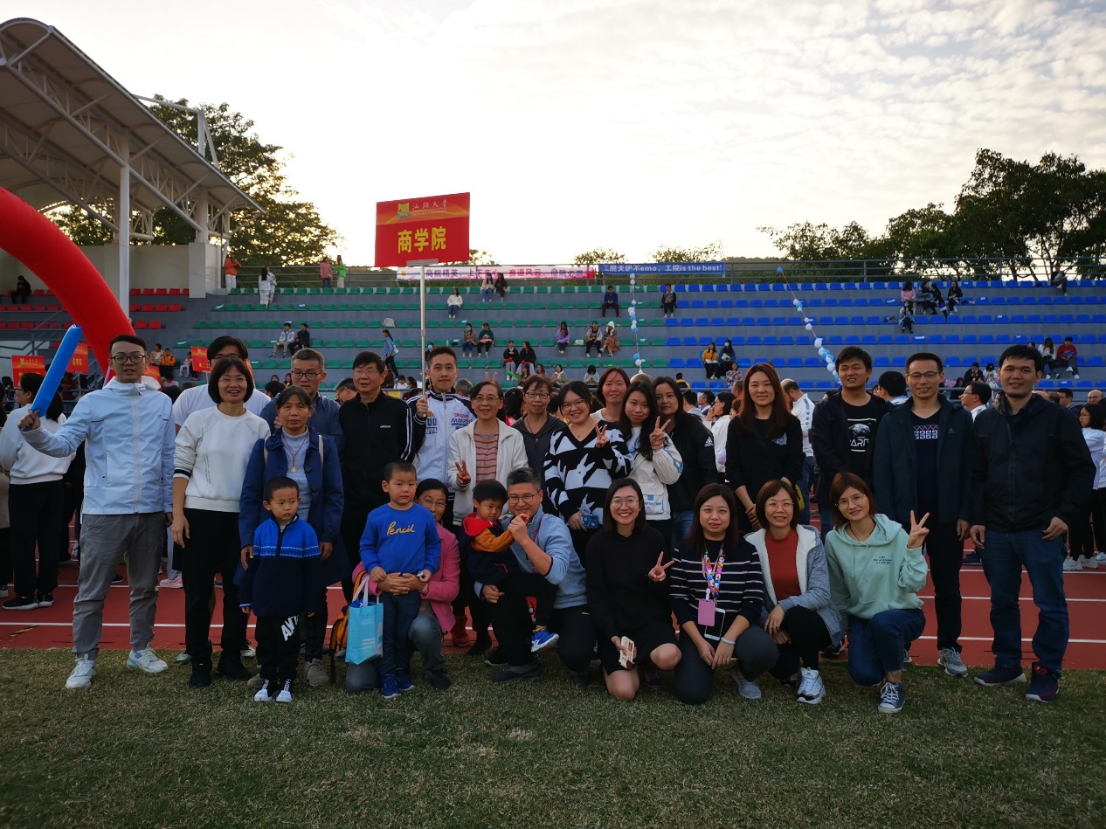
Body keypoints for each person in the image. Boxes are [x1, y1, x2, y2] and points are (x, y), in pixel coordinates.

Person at [19, 334, 175, 689]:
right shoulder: (92, 402)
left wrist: (167, 504)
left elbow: (168, 455)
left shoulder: (161, 403)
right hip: (105, 510)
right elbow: (64, 445)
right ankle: (85, 658)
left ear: (145, 360)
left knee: (146, 586)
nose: (128, 362)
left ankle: (140, 649)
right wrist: (35, 434)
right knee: (92, 590)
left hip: (150, 509)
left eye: (135, 356)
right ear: (110, 362)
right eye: (121, 357)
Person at [970, 344, 1096, 702]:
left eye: (1025, 370)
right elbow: (977, 474)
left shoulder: (1058, 418)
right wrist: (978, 517)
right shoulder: (986, 421)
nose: (1016, 376)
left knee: (1050, 604)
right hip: (996, 529)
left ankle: (1047, 670)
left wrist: (1064, 514)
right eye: (1010, 369)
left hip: (1041, 529)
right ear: (998, 374)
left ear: (1038, 375)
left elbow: (1082, 469)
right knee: (1001, 602)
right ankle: (1008, 663)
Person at [874, 353, 974, 679]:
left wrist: (965, 512)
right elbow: (882, 472)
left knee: (948, 586)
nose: (923, 381)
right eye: (916, 375)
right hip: (904, 519)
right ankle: (901, 645)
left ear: (942, 377)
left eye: (930, 374)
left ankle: (949, 647)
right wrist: (887, 519)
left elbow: (970, 471)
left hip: (947, 517)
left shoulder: (959, 418)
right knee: (901, 586)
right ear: (907, 379)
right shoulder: (893, 420)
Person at [173, 357, 270, 687]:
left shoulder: (259, 426)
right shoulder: (199, 420)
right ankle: (200, 659)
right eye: (226, 378)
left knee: (237, 592)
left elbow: (263, 479)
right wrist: (178, 515)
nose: (233, 384)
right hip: (198, 517)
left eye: (239, 378)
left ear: (248, 383)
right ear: (215, 383)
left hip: (242, 521)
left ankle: (230, 657)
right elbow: (180, 469)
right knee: (197, 594)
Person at [240, 386, 346, 689]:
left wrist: (328, 534)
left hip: (312, 535)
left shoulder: (324, 446)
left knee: (315, 595)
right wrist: (248, 538)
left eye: (301, 407)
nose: (294, 413)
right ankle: (269, 665)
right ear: (278, 411)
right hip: (272, 538)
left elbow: (335, 494)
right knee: (272, 596)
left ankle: (313, 659)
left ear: (311, 411)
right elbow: (250, 494)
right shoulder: (264, 446)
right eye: (287, 407)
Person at [479, 467, 597, 684]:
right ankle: (523, 662)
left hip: (569, 602)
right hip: (533, 603)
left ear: (540, 496)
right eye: (514, 497)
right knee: (494, 595)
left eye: (527, 496)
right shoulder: (504, 526)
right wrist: (481, 587)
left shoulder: (555, 527)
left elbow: (556, 575)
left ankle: (587, 648)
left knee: (576, 656)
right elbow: (482, 563)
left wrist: (524, 540)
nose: (520, 503)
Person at [824, 473, 930, 714]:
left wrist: (914, 549)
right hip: (863, 618)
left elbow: (914, 584)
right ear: (837, 507)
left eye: (857, 497)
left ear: (868, 497)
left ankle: (894, 683)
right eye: (843, 501)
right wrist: (844, 627)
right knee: (865, 675)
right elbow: (837, 588)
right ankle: (888, 648)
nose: (852, 505)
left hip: (902, 613)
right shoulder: (833, 540)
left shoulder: (897, 534)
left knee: (885, 623)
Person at [346, 478, 460, 693]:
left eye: (440, 503)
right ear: (416, 500)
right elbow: (358, 572)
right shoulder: (389, 525)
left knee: (423, 628)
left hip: (419, 615)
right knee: (358, 683)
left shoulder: (449, 540)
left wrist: (421, 586)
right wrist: (381, 583)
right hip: (385, 613)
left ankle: (433, 667)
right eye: (428, 501)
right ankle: (390, 667)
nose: (433, 509)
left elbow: (452, 589)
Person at [669, 483, 778, 704]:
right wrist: (700, 643)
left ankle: (744, 673)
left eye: (722, 511)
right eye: (708, 510)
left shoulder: (747, 550)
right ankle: (703, 662)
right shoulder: (683, 550)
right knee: (691, 694)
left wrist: (729, 639)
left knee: (764, 652)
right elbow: (678, 600)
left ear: (731, 515)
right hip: (699, 628)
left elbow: (753, 601)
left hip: (736, 626)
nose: (714, 517)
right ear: (698, 512)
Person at [447, 379, 527, 653]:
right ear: (472, 402)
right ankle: (481, 635)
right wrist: (461, 480)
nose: (485, 403)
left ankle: (506, 635)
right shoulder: (459, 436)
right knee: (471, 577)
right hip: (468, 519)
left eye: (491, 398)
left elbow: (519, 474)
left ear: (501, 403)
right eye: (479, 398)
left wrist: (507, 508)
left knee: (501, 575)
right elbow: (451, 474)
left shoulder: (513, 436)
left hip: (501, 520)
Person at [338, 351, 425, 601]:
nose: (363, 376)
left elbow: (407, 450)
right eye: (358, 371)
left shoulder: (398, 409)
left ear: (382, 375)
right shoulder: (345, 411)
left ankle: (387, 613)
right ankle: (354, 610)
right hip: (352, 502)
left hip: (386, 503)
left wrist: (391, 486)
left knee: (386, 558)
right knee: (352, 559)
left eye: (369, 371)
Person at [747, 480, 843, 704]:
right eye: (773, 504)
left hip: (813, 621)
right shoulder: (751, 544)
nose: (780, 510)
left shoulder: (811, 539)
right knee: (783, 668)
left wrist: (784, 606)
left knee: (796, 614)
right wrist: (768, 624)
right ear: (762, 507)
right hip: (776, 624)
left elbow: (821, 593)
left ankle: (812, 674)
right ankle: (793, 668)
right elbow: (751, 595)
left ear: (795, 507)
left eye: (786, 504)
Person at [586, 479, 681, 700]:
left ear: (640, 505)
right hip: (616, 626)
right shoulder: (597, 543)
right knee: (624, 692)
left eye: (630, 500)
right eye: (617, 501)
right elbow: (596, 596)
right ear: (608, 506)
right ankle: (618, 666)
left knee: (670, 657)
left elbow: (665, 592)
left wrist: (656, 580)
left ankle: (647, 661)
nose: (624, 507)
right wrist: (613, 637)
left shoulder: (654, 538)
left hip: (650, 622)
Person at [236, 477, 324, 704]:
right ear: (267, 505)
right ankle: (268, 680)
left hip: (290, 604)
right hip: (264, 603)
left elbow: (313, 572)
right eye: (281, 503)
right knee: (265, 642)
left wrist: (311, 601)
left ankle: (287, 681)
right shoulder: (261, 532)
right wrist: (246, 597)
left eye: (292, 502)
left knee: (288, 644)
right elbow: (253, 569)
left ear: (299, 501)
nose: (287, 507)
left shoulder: (307, 532)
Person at [359, 461, 441, 699]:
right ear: (386, 486)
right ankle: (386, 674)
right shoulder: (377, 516)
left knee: (404, 632)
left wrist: (429, 568)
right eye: (399, 484)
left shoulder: (424, 515)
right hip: (385, 588)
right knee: (385, 633)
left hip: (410, 588)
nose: (406, 489)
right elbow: (366, 546)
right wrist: (374, 568)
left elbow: (433, 545)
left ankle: (399, 670)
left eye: (411, 484)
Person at [0, 376, 73, 610]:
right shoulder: (59, 416)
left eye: (18, 389)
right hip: (54, 485)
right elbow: (69, 451)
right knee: (50, 540)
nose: (16, 393)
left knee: (23, 542)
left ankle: (25, 594)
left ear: (30, 393)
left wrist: (10, 470)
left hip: (25, 485)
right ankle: (45, 591)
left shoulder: (17, 416)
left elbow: (6, 454)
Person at [460, 480, 558, 652]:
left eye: (499, 507)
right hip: (498, 576)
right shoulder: (476, 527)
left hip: (495, 576)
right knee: (546, 584)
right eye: (490, 506)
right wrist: (516, 531)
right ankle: (539, 631)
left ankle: (510, 644)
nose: (494, 512)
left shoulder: (482, 521)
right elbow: (494, 545)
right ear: (475, 502)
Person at [544, 381, 633, 564]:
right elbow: (551, 478)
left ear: (589, 401)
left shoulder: (611, 431)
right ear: (561, 409)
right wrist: (568, 511)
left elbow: (623, 471)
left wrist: (606, 450)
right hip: (570, 523)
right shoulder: (557, 437)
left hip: (607, 522)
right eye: (567, 405)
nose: (573, 408)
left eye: (579, 402)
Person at [810, 347, 891, 539]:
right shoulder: (825, 409)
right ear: (838, 373)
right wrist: (850, 483)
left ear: (868, 372)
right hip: (836, 493)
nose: (850, 373)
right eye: (844, 368)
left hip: (875, 493)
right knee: (835, 551)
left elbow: (888, 452)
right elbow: (823, 452)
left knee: (875, 550)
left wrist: (867, 484)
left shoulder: (883, 409)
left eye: (856, 367)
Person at [725, 363, 803, 532]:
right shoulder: (737, 425)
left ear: (775, 387)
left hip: (781, 508)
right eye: (755, 385)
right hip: (746, 509)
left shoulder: (791, 424)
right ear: (748, 389)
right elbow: (733, 469)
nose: (761, 390)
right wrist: (753, 509)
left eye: (767, 384)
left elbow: (795, 465)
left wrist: (772, 504)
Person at [409, 346, 474, 526]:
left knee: (455, 541)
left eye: (449, 367)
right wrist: (418, 418)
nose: (444, 373)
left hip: (460, 492)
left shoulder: (469, 406)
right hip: (425, 493)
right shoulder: (413, 405)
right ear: (428, 372)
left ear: (456, 371)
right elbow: (406, 448)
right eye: (437, 368)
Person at [653, 376, 719, 552]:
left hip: (690, 509)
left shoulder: (695, 428)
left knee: (691, 558)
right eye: (658, 397)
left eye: (669, 395)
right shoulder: (648, 430)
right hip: (660, 510)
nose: (664, 401)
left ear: (678, 398)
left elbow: (708, 470)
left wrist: (707, 506)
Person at [622, 379, 683, 545]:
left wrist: (657, 448)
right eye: (633, 403)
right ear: (624, 403)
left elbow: (671, 477)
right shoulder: (614, 433)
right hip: (622, 513)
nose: (638, 410)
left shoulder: (661, 436)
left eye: (645, 405)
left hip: (655, 514)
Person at [259, 348, 343, 452]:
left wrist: (298, 431)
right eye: (297, 373)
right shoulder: (273, 407)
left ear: (322, 376)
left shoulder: (332, 409)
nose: (303, 379)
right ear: (291, 374)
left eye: (310, 373)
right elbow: (262, 445)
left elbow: (338, 444)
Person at [173, 337, 271, 425]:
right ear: (209, 364)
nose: (227, 363)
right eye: (219, 358)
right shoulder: (188, 397)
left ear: (244, 363)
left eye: (233, 357)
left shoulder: (263, 401)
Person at [1068, 403, 1104, 571]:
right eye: (1080, 414)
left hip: (1088, 484)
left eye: (1085, 414)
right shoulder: (1081, 432)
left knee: (1077, 521)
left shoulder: (1098, 435)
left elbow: (1074, 447)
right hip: (1077, 483)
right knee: (1081, 522)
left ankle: (1074, 557)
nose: (1081, 417)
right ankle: (1087, 556)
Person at [515, 375, 565, 493]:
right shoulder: (514, 432)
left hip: (554, 496)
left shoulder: (561, 428)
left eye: (542, 394)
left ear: (549, 398)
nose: (537, 399)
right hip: (524, 496)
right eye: (532, 394)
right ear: (524, 396)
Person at [782, 379, 815, 523]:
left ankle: (804, 527)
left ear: (791, 392)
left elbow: (806, 429)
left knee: (800, 495)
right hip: (799, 456)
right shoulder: (797, 406)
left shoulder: (806, 405)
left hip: (805, 456)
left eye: (784, 395)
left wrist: (785, 430)